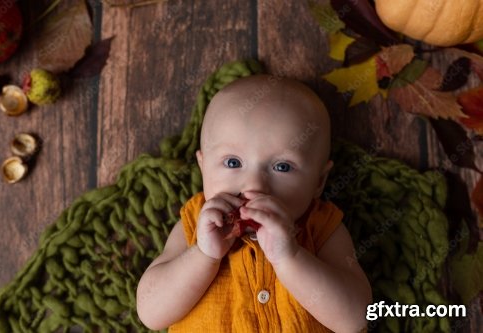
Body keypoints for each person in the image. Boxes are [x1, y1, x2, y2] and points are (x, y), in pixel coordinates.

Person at [136, 74, 372, 332]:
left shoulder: (321, 225)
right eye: (233, 162)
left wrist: (290, 257)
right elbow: (151, 313)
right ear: (203, 168)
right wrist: (203, 255)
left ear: (319, 181)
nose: (255, 185)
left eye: (282, 166)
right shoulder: (196, 222)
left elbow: (356, 318)